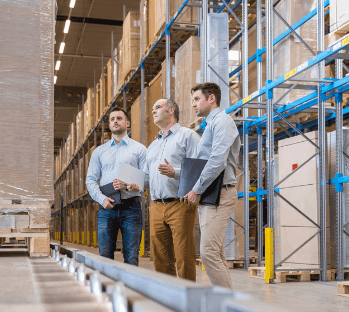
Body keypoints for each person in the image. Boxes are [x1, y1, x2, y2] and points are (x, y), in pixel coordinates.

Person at [182, 82, 241, 288]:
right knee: (215, 254)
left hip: (220, 194)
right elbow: (202, 163)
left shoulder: (222, 121)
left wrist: (195, 189)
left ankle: (226, 304)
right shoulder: (209, 125)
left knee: (208, 253)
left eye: (197, 99)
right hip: (209, 195)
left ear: (211, 99)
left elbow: (217, 160)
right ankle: (227, 301)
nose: (193, 104)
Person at [140, 98, 201, 281]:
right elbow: (147, 177)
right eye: (152, 108)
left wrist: (174, 172)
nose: (153, 111)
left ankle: (188, 299)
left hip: (180, 203)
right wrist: (133, 184)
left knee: (183, 255)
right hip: (156, 206)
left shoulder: (188, 136)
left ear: (171, 110)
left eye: (158, 107)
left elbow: (199, 169)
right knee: (160, 257)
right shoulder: (152, 146)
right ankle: (167, 298)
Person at [85, 107, 147, 265]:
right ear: (109, 125)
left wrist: (131, 186)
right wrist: (101, 199)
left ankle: (129, 288)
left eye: (119, 118)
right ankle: (107, 288)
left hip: (131, 207)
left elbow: (148, 178)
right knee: (105, 255)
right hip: (107, 208)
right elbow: (90, 180)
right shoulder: (100, 152)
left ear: (127, 123)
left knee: (131, 256)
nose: (115, 121)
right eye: (112, 119)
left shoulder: (139, 149)